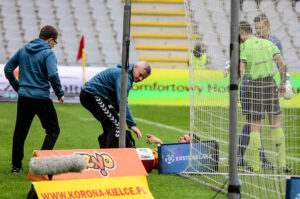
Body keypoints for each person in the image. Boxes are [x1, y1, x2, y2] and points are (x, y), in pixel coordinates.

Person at [4, 25, 64, 173]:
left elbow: (8, 69)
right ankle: (39, 163)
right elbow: (53, 75)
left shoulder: (23, 50)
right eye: (54, 43)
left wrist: (17, 86)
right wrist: (59, 92)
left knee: (20, 133)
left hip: (24, 98)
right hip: (42, 98)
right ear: (50, 40)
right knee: (53, 130)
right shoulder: (48, 53)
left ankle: (16, 167)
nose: (53, 46)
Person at [237, 13, 293, 169]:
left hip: (254, 85)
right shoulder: (261, 43)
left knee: (253, 123)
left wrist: (285, 82)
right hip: (261, 85)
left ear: (268, 26)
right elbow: (282, 64)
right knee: (258, 123)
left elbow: (282, 64)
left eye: (261, 27)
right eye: (256, 28)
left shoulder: (270, 41)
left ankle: (256, 163)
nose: (258, 30)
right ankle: (267, 161)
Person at [80, 61, 151, 148]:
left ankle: (105, 147)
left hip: (95, 96)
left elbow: (115, 98)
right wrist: (131, 124)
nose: (140, 79)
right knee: (116, 127)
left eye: (143, 78)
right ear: (135, 67)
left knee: (114, 125)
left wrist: (116, 111)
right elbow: (122, 101)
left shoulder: (126, 74)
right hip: (91, 96)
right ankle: (111, 156)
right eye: (140, 75)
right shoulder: (124, 76)